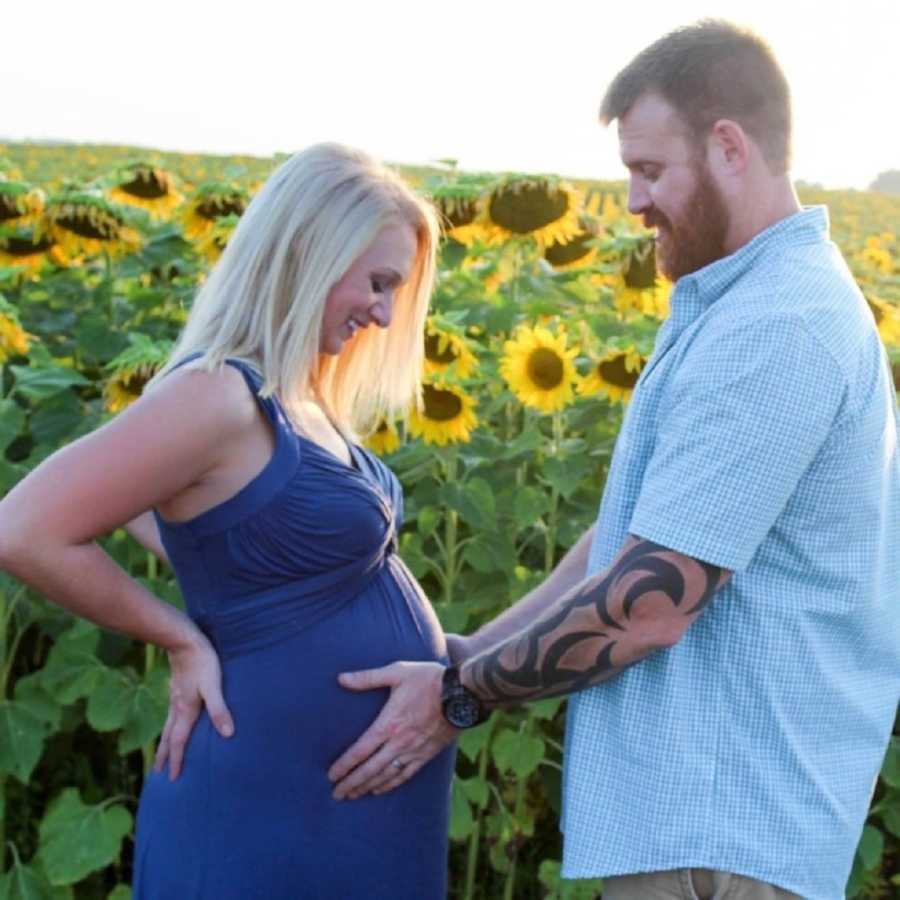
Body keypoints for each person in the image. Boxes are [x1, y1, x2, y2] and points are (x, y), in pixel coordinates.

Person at [327, 21, 900, 900]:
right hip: (701, 828)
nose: (632, 202)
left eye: (649, 171)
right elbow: (626, 542)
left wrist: (460, 697)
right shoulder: (740, 304)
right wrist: (469, 655)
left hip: (719, 836)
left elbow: (649, 605)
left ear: (729, 148)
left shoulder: (778, 327)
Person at [0, 143, 458, 899]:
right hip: (267, 801)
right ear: (309, 252)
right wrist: (177, 637)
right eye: (377, 283)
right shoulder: (215, 395)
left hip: (353, 810)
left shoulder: (300, 394)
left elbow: (190, 513)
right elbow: (25, 528)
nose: (383, 314)